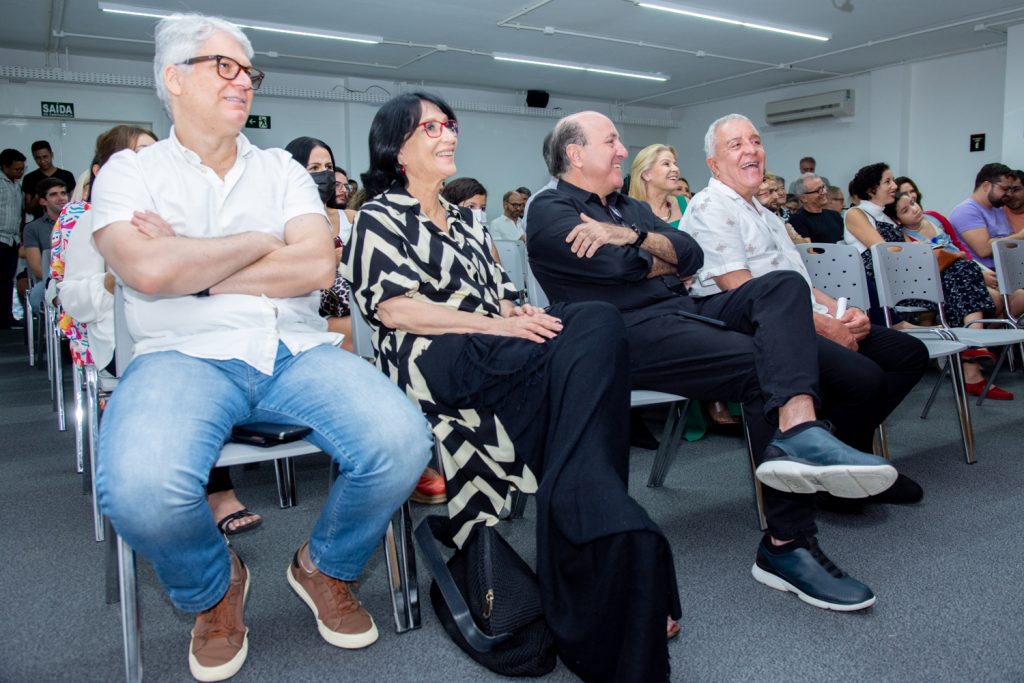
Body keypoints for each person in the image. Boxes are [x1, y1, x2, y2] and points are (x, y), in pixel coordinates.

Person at [89, 15, 433, 681]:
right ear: (173, 78)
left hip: (292, 348)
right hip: (179, 356)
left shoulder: (280, 169)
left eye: (249, 71)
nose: (243, 81)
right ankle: (214, 588)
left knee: (402, 444)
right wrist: (258, 241)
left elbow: (316, 267)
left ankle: (324, 566)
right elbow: (148, 271)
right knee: (141, 490)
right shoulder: (130, 173)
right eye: (224, 66)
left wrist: (191, 261)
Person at [343, 92, 681, 682]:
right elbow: (395, 310)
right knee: (560, 357)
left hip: (496, 348)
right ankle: (599, 519)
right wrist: (498, 325)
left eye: (450, 125)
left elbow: (503, 297)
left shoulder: (468, 222)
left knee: (595, 321)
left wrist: (519, 316)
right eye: (432, 128)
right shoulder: (379, 216)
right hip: (429, 356)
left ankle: (590, 501)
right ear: (397, 147)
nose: (449, 135)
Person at [527, 110, 904, 615]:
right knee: (763, 365)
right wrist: (652, 255)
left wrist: (631, 237)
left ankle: (799, 429)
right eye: (611, 141)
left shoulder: (626, 208)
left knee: (782, 287)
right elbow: (621, 268)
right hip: (624, 334)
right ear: (575, 154)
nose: (622, 151)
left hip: (682, 312)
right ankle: (787, 546)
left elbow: (691, 255)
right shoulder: (549, 208)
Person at [883, 191, 1011, 399]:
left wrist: (979, 270)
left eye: (913, 203)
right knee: (977, 291)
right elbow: (925, 264)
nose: (915, 209)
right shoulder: (902, 235)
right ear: (897, 219)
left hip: (960, 275)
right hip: (931, 284)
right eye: (906, 210)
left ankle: (969, 354)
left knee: (979, 287)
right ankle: (973, 348)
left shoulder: (934, 219)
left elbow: (959, 249)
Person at [283, 136, 354, 352]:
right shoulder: (282, 219)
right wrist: (331, 258)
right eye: (314, 168)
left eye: (328, 167)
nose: (324, 173)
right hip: (301, 312)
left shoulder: (349, 217)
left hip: (342, 303)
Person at [948, 163, 1017, 269]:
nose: (1009, 194)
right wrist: (1020, 236)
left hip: (1006, 270)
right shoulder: (965, 210)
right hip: (983, 274)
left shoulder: (998, 209)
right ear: (986, 186)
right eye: (1004, 189)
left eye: (1011, 190)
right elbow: (984, 249)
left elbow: (1010, 242)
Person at [22, 177, 68, 313]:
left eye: (63, 193)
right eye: (54, 194)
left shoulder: (80, 222)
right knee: (38, 296)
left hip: (78, 278)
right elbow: (37, 268)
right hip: (49, 280)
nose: (61, 198)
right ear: (43, 201)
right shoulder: (32, 228)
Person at [628, 144, 684, 227]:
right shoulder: (630, 212)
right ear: (646, 174)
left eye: (675, 164)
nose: (676, 169)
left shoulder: (684, 204)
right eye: (666, 164)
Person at [0, 148, 26, 329]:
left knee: (7, 279)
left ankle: (6, 317)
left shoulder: (17, 184)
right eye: (17, 169)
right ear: (5, 167)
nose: (21, 172)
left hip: (12, 240)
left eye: (22, 168)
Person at [22, 141, 77, 219]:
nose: (42, 161)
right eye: (38, 158)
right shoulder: (29, 178)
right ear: (34, 158)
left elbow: (74, 201)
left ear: (52, 155)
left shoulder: (67, 175)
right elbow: (28, 209)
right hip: (40, 222)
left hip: (64, 220)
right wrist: (38, 195)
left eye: (45, 157)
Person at [788, 173, 844, 243]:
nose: (824, 192)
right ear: (803, 198)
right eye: (818, 190)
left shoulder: (834, 215)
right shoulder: (797, 220)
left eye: (823, 187)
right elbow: (807, 248)